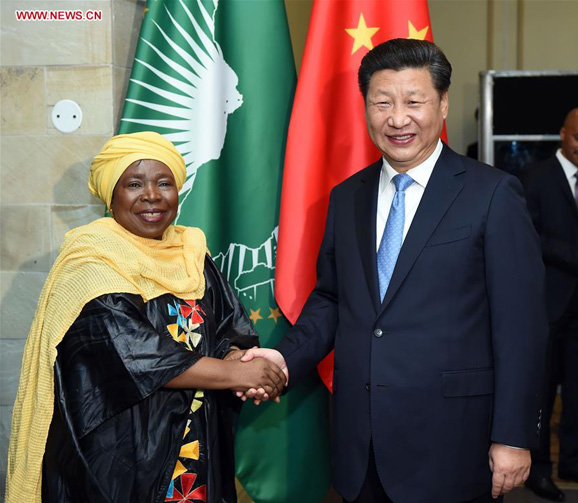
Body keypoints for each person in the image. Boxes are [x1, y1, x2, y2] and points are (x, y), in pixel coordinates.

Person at [242, 39, 548, 503]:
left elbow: (521, 328)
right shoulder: (348, 197)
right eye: (381, 103)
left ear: (442, 105)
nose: (397, 118)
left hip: (453, 443)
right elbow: (332, 298)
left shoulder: (493, 194)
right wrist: (284, 359)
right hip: (359, 444)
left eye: (413, 102)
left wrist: (514, 435)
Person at [5, 132, 286, 503]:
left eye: (164, 183)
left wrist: (237, 355)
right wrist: (240, 373)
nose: (152, 195)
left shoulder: (190, 253)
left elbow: (229, 325)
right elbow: (140, 356)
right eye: (134, 184)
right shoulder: (90, 264)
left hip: (197, 452)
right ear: (111, 196)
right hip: (120, 463)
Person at [519, 108, 578, 502]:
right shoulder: (534, 178)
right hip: (547, 306)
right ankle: (537, 471)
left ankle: (572, 464)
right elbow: (527, 235)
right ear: (562, 135)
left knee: (577, 393)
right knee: (541, 392)